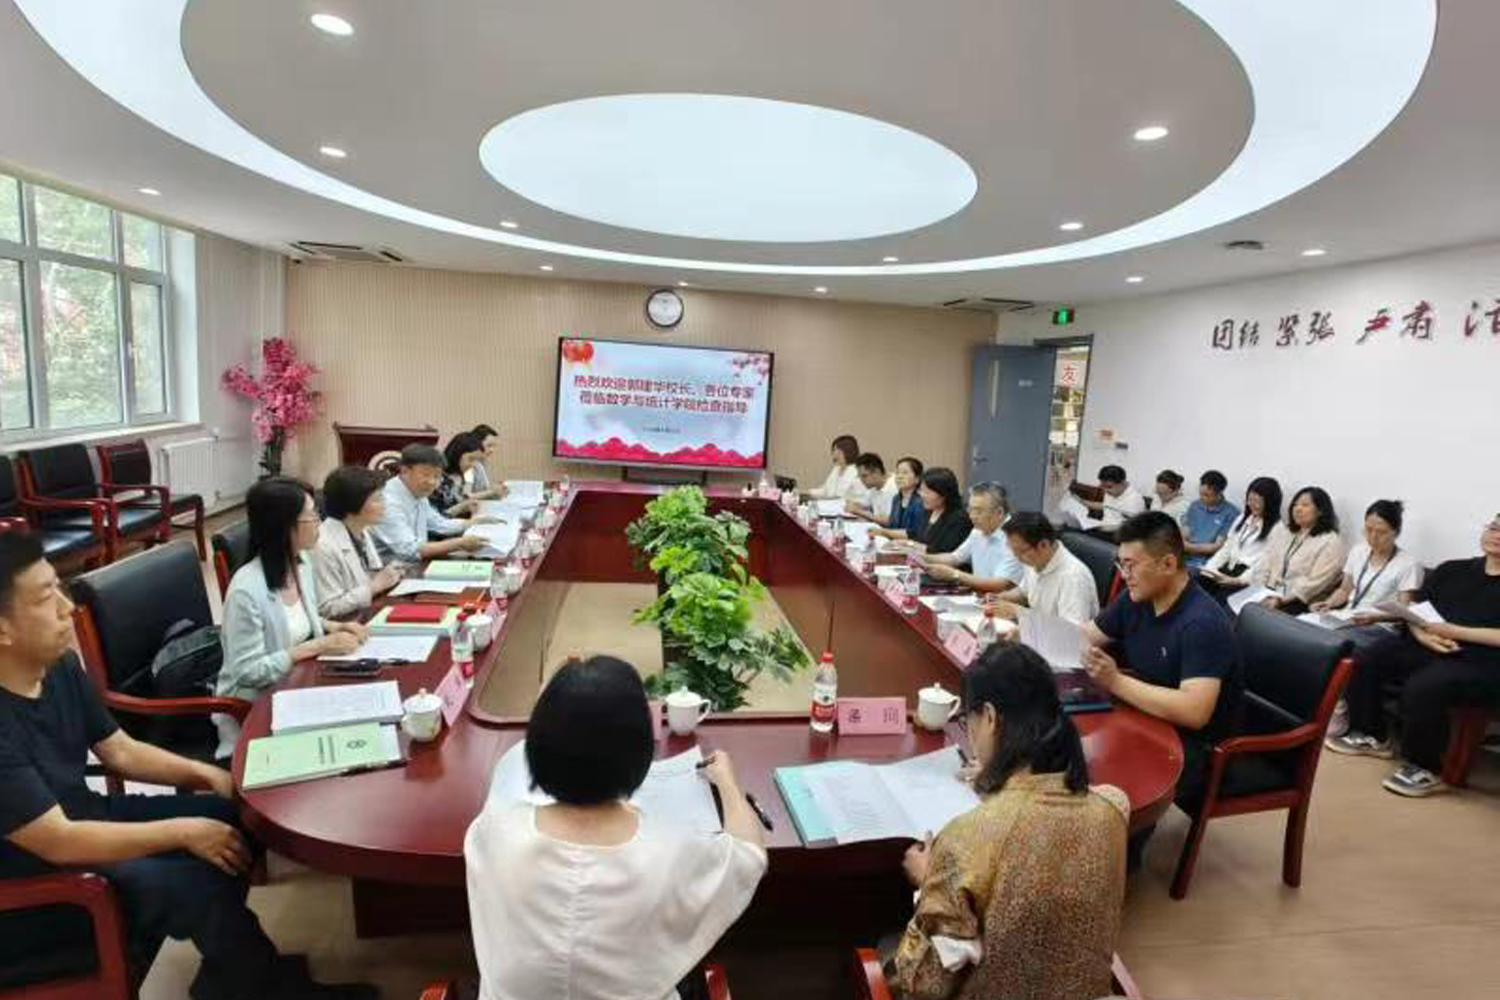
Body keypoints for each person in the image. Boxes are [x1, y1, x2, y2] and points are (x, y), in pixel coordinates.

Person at [0, 532, 377, 1000]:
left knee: (236, 816)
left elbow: (120, 751)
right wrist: (182, 832)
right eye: (44, 598)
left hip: (85, 820)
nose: (66, 608)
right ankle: (261, 982)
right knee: (195, 881)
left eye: (60, 589)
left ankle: (233, 974)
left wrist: (207, 774)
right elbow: (57, 840)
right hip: (36, 879)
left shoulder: (57, 665)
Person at [464, 656, 766, 999]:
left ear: (537, 746)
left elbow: (522, 757)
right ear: (640, 753)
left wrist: (559, 699)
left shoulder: (495, 831)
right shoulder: (671, 853)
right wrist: (728, 783)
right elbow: (749, 856)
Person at [889, 643, 1128, 1000]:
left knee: (887, 954)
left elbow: (924, 983)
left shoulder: (966, 838)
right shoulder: (1112, 809)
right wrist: (1000, 781)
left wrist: (929, 885)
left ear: (988, 717)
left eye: (967, 721)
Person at [1326, 514, 1500, 798]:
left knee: (1425, 686)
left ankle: (1425, 768)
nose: (1497, 534)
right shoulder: (1453, 570)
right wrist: (1423, 635)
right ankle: (1373, 735)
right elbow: (1416, 612)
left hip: (1483, 661)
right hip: (1430, 644)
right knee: (1369, 657)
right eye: (1494, 526)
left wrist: (1454, 631)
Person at [1082, 512, 1242, 809]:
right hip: (1145, 715)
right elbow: (1086, 636)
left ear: (1168, 564)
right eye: (1120, 564)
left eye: (1131, 565)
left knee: (1105, 784)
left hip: (1191, 743)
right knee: (1072, 744)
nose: (1124, 575)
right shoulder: (1136, 598)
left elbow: (1194, 711)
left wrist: (1114, 680)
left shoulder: (1202, 623)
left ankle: (1128, 835)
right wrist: (1025, 629)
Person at [216, 478, 367, 759]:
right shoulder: (246, 591)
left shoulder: (301, 561)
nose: (319, 522)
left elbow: (297, 618)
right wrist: (318, 646)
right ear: (284, 526)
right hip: (258, 709)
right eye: (312, 516)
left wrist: (335, 626)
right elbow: (248, 672)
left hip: (300, 686)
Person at [1311, 500, 1424, 738]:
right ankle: (1312, 700)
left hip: (1382, 626)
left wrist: (1374, 617)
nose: (1373, 537)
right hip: (1347, 616)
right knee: (1302, 626)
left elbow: (1405, 611)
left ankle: (1339, 707)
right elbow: (1345, 590)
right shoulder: (1358, 551)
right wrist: (1329, 603)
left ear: (1396, 532)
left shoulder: (1408, 564)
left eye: (1381, 532)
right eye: (1368, 529)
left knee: (1336, 644)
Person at [312, 465, 404, 619]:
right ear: (353, 503)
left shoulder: (361, 528)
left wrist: (388, 573)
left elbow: (369, 573)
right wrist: (375, 586)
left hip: (365, 613)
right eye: (377, 499)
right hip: (344, 625)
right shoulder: (323, 546)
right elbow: (328, 609)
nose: (385, 505)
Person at [371, 444, 489, 563]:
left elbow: (438, 523)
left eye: (437, 476)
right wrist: (459, 544)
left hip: (415, 562)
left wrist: (471, 523)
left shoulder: (417, 491)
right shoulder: (387, 501)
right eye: (426, 475)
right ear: (405, 471)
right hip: (390, 568)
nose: (432, 482)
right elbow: (409, 550)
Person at [987, 512, 1100, 626]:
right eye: (1013, 550)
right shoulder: (1035, 559)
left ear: (1043, 545)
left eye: (1020, 551)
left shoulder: (1073, 577)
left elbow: (1072, 630)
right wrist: (1001, 597)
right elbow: (1024, 593)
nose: (1017, 557)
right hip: (1037, 630)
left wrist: (1019, 613)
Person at [1248, 486, 1346, 615]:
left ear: (1320, 511)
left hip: (1298, 601)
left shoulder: (1331, 541)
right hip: (1270, 592)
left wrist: (1281, 600)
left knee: (1254, 618)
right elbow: (1266, 562)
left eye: (1305, 505)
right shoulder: (1287, 532)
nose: (1297, 509)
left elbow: (1314, 583)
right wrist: (1258, 589)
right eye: (1295, 504)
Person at [922, 483, 1023, 593]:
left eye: (978, 511)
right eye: (970, 510)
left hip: (1002, 600)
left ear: (999, 512)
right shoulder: (978, 530)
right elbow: (955, 558)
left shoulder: (1016, 537)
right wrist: (922, 557)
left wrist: (955, 574)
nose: (972, 516)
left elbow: (999, 584)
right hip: (978, 596)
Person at [1199, 477, 1284, 597]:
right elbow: (1227, 548)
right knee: (1196, 583)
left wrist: (1238, 581)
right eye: (1249, 499)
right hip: (1227, 571)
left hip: (1247, 581)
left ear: (1270, 503)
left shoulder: (1278, 529)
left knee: (1216, 599)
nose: (1251, 504)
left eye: (1257, 501)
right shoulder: (1243, 518)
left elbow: (1264, 566)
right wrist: (1209, 569)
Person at [872, 467, 973, 555]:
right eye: (921, 490)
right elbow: (915, 534)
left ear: (943, 493)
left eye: (927, 492)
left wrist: (909, 545)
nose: (922, 495)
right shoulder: (929, 510)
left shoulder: (959, 518)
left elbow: (942, 552)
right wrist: (895, 539)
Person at [1182, 470, 1240, 568]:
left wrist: (1188, 547)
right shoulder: (1195, 505)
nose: (1202, 498)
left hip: (1207, 561)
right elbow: (1186, 532)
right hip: (1185, 555)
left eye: (1206, 495)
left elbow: (1217, 546)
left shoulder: (1231, 513)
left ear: (1219, 493)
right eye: (1200, 494)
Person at [431, 432, 488, 518]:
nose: (473, 465)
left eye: (476, 460)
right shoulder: (440, 478)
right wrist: (462, 507)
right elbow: (439, 517)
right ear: (457, 454)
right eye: (471, 459)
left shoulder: (466, 473)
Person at [1081, 465, 1146, 535]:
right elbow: (1106, 506)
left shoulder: (1134, 501)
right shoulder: (1112, 492)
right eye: (1102, 486)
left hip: (1118, 536)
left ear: (1122, 483)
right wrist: (1081, 502)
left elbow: (1130, 529)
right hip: (1103, 529)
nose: (1105, 490)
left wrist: (1101, 528)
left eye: (1109, 487)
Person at [806, 434, 862, 501]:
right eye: (834, 450)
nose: (835, 454)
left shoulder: (856, 472)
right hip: (829, 505)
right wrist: (807, 492)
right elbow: (825, 490)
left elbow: (844, 497)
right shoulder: (836, 469)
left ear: (849, 452)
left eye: (838, 451)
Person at [845, 452, 896, 520]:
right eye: (859, 477)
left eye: (864, 476)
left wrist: (858, 511)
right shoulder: (873, 487)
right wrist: (852, 506)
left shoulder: (893, 487)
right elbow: (864, 504)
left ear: (877, 472)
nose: (861, 480)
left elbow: (889, 521)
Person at [881, 456, 926, 532]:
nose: (899, 477)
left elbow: (915, 533)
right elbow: (892, 525)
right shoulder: (896, 498)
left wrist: (884, 532)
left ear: (917, 479)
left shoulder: (921, 501)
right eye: (897, 473)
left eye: (905, 473)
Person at [466, 423, 507, 500]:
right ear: (477, 444)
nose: (492, 450)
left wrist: (496, 489)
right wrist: (492, 492)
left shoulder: (482, 462)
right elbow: (466, 497)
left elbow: (481, 490)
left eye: (493, 446)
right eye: (489, 446)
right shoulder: (468, 465)